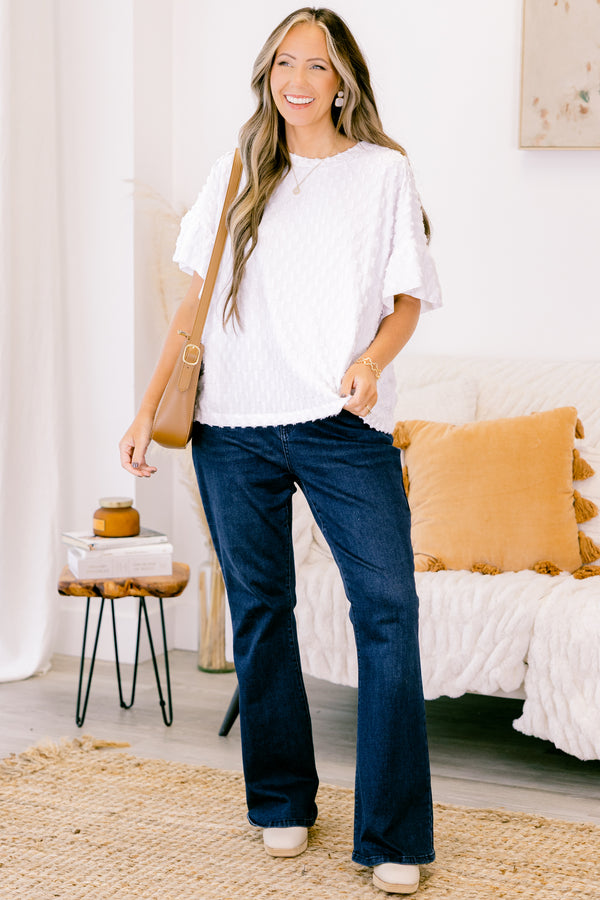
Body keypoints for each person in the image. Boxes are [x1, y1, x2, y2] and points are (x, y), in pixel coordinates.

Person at [120, 7, 441, 894]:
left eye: (319, 65)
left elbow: (408, 298)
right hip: (231, 426)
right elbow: (193, 306)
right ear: (269, 74)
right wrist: (147, 410)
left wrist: (371, 363)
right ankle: (281, 804)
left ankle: (393, 836)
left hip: (342, 426)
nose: (299, 80)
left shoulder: (383, 173)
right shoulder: (235, 169)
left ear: (346, 81)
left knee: (388, 611)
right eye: (285, 64)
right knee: (263, 613)